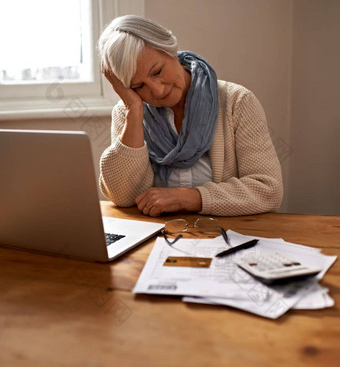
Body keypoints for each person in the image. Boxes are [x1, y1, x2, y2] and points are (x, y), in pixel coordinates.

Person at [98, 15, 283, 217]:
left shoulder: (237, 102)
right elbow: (123, 197)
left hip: (230, 236)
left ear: (170, 49)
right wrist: (133, 111)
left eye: (157, 71)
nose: (158, 91)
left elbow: (268, 190)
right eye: (139, 86)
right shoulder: (128, 113)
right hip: (160, 235)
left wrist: (187, 198)